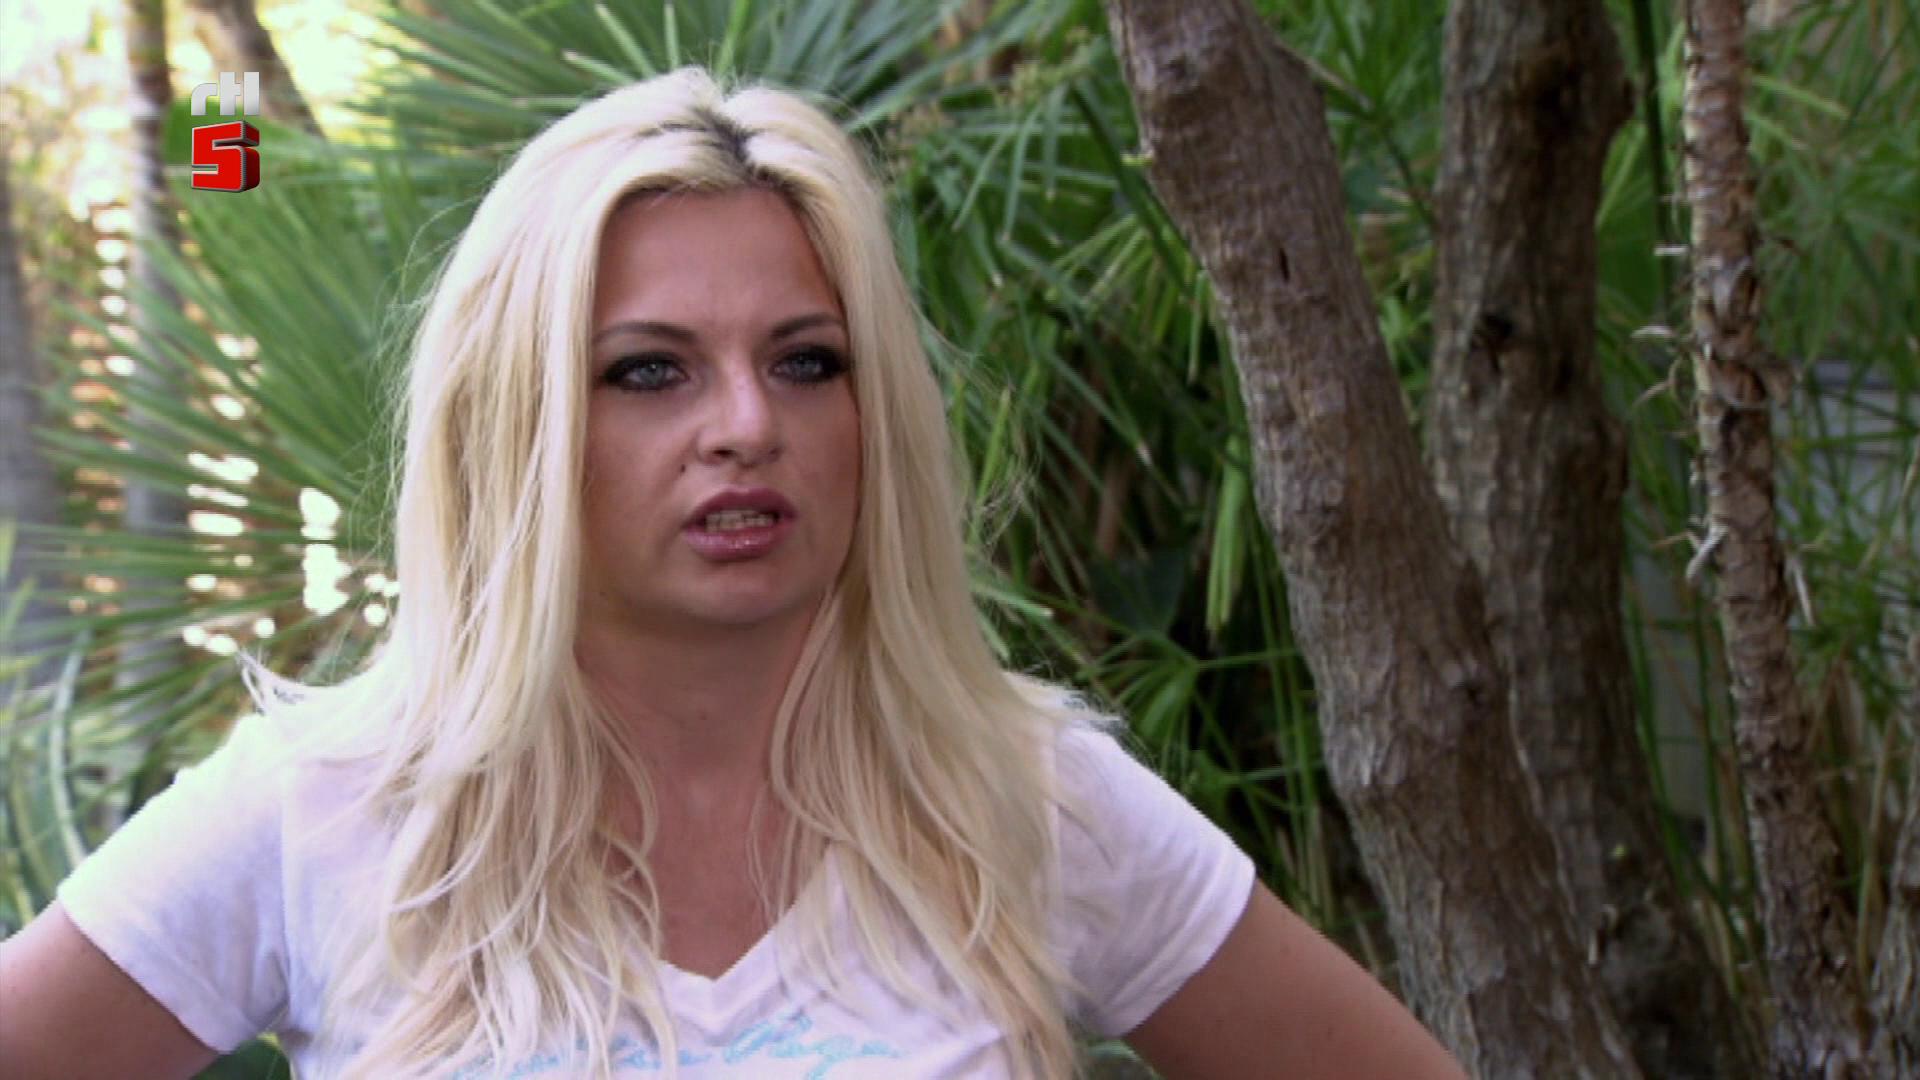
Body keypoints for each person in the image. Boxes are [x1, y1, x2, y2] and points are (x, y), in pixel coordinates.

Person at [0, 68, 1465, 1079]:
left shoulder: (1016, 798)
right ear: (517, 424)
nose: (748, 426)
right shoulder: (322, 807)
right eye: (651, 370)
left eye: (807, 362)